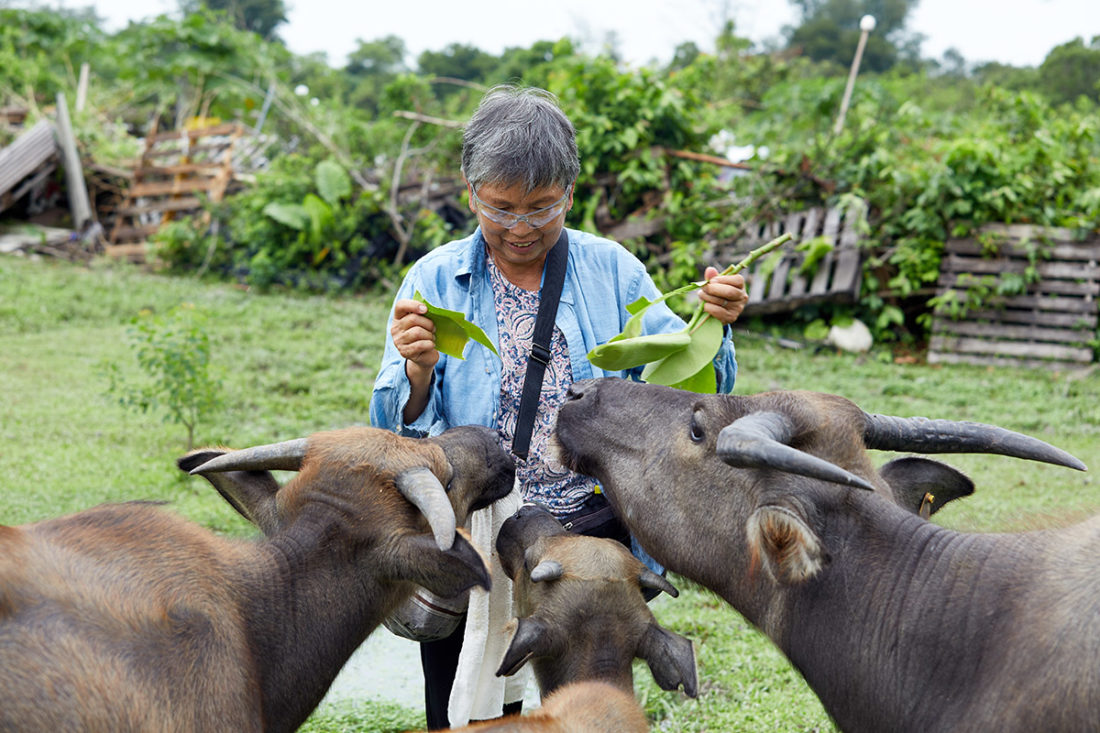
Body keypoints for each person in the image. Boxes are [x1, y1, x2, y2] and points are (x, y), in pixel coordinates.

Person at [370, 84, 747, 729]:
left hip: (590, 539)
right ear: (471, 192)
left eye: (542, 208)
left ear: (569, 194)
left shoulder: (612, 272)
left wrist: (712, 325)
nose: (521, 228)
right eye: (502, 208)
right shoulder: (433, 280)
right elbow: (396, 432)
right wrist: (417, 370)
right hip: (477, 534)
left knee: (587, 708)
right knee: (462, 706)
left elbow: (686, 390)